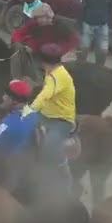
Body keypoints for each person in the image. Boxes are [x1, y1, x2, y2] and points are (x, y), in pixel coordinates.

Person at [31, 40, 77, 179]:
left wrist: (30, 109)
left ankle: (64, 178)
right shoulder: (52, 71)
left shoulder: (57, 77)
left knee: (49, 149)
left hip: (61, 120)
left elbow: (45, 95)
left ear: (44, 61)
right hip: (46, 113)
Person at [10, 3, 78, 83]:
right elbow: (17, 34)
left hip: (56, 56)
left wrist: (61, 49)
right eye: (38, 18)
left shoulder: (59, 25)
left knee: (69, 61)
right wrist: (26, 44)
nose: (40, 20)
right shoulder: (34, 24)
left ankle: (59, 82)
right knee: (18, 53)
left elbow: (74, 39)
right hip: (39, 54)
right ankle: (16, 81)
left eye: (43, 17)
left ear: (49, 17)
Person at [78, 0, 112, 65]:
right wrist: (79, 24)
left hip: (102, 26)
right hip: (88, 24)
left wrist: (108, 22)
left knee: (102, 50)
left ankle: (99, 68)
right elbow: (83, 9)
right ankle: (80, 66)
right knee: (84, 47)